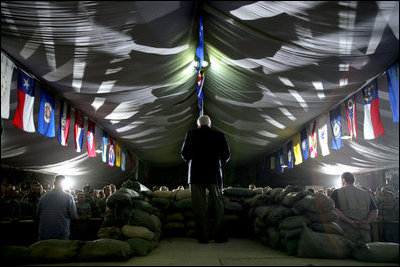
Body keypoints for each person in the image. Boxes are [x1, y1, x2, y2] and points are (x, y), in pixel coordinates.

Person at [181, 114, 230, 243]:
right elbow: (226, 154)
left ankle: (203, 236)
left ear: (198, 125)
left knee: (200, 207)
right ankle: (219, 236)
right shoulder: (219, 135)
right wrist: (219, 165)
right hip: (214, 174)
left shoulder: (191, 135)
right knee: (218, 206)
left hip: (196, 175)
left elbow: (185, 155)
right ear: (210, 125)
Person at [330, 172, 378, 243]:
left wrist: (351, 222)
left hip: (347, 231)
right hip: (364, 230)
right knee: (366, 251)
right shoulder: (365, 193)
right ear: (353, 181)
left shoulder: (337, 192)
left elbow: (334, 210)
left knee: (349, 252)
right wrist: (367, 221)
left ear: (343, 180)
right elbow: (374, 210)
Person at [36, 174, 77, 240]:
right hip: (61, 234)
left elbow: (37, 214)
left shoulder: (43, 197)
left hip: (44, 234)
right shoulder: (68, 197)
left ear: (54, 183)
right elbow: (73, 216)